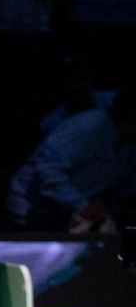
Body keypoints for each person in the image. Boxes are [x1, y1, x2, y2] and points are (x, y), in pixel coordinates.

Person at [7, 86, 136, 231]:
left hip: (73, 209)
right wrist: (82, 205)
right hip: (34, 205)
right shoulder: (88, 128)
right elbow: (48, 167)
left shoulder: (128, 146)